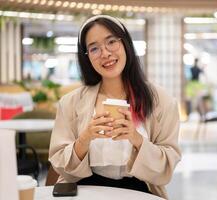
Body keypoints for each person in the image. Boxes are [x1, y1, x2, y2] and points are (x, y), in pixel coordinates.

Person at [48, 15, 181, 199]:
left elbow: (166, 168)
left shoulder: (162, 101)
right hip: (83, 190)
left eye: (111, 42)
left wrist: (136, 138)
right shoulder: (70, 103)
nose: (105, 53)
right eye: (94, 48)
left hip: (139, 190)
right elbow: (60, 165)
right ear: (87, 57)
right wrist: (85, 139)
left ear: (125, 43)